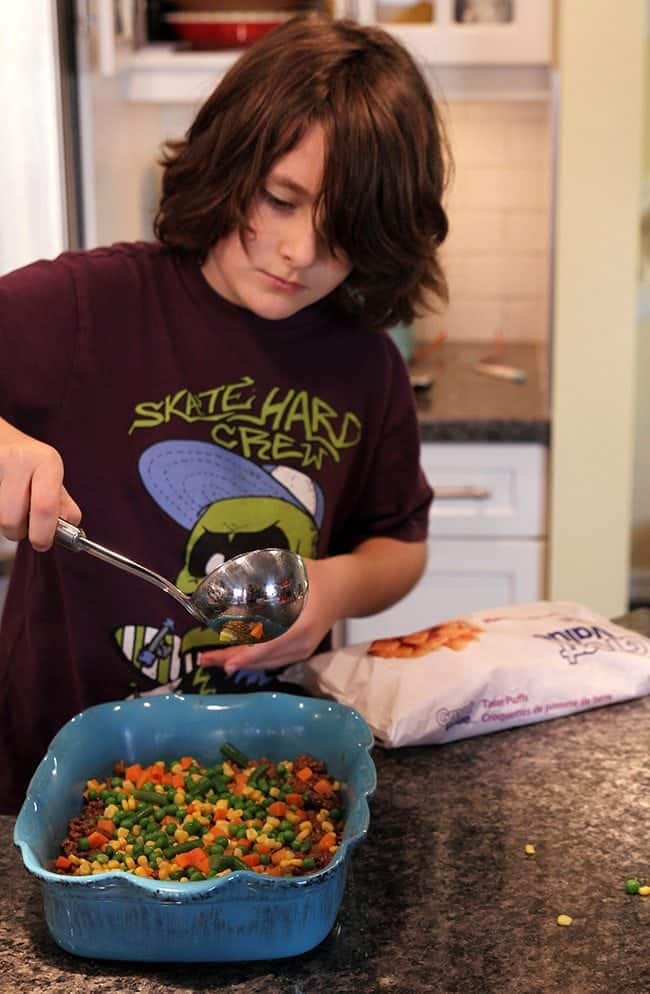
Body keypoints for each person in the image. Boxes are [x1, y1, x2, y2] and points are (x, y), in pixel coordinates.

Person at [0, 12, 450, 814]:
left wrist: (334, 589)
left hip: (271, 788)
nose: (299, 253)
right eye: (281, 199)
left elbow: (401, 543)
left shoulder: (366, 364)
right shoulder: (86, 308)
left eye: (342, 230)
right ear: (230, 162)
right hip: (55, 782)